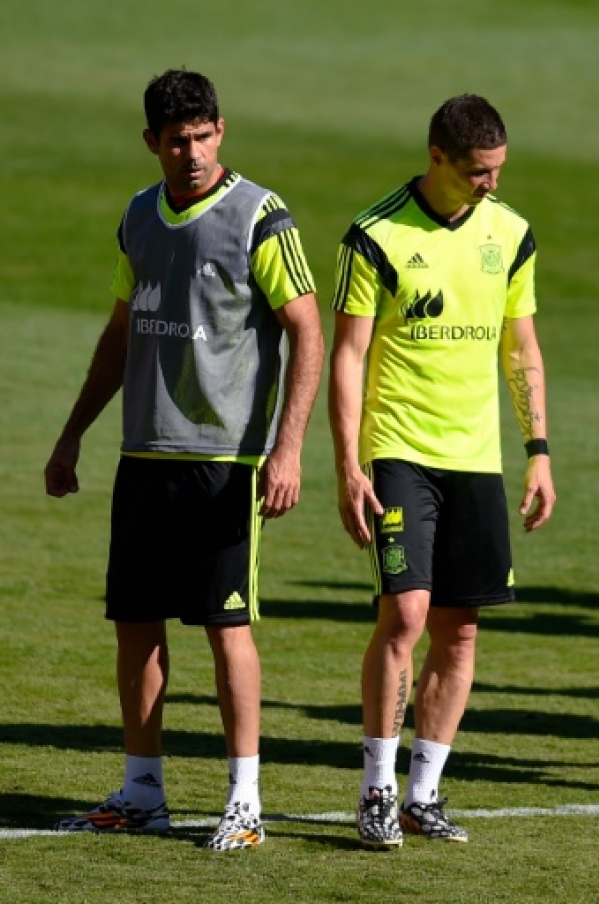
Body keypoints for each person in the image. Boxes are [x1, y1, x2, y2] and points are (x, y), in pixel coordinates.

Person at [44, 68, 324, 851]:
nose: (193, 153)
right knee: (136, 624)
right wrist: (73, 433)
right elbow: (121, 330)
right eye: (177, 140)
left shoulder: (261, 218)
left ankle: (245, 803)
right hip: (143, 452)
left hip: (225, 463)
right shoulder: (139, 215)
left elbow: (307, 329)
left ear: (221, 131)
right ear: (152, 143)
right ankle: (142, 793)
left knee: (224, 624)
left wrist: (287, 446)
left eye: (204, 136)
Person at [328, 94, 555, 850]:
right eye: (478, 172)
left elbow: (520, 350)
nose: (492, 183)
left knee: (460, 633)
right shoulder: (375, 234)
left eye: (498, 170)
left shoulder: (511, 234)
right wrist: (349, 465)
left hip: (475, 459)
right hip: (399, 453)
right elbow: (349, 357)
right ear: (438, 159)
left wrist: (539, 452)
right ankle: (377, 790)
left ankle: (425, 791)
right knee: (407, 616)